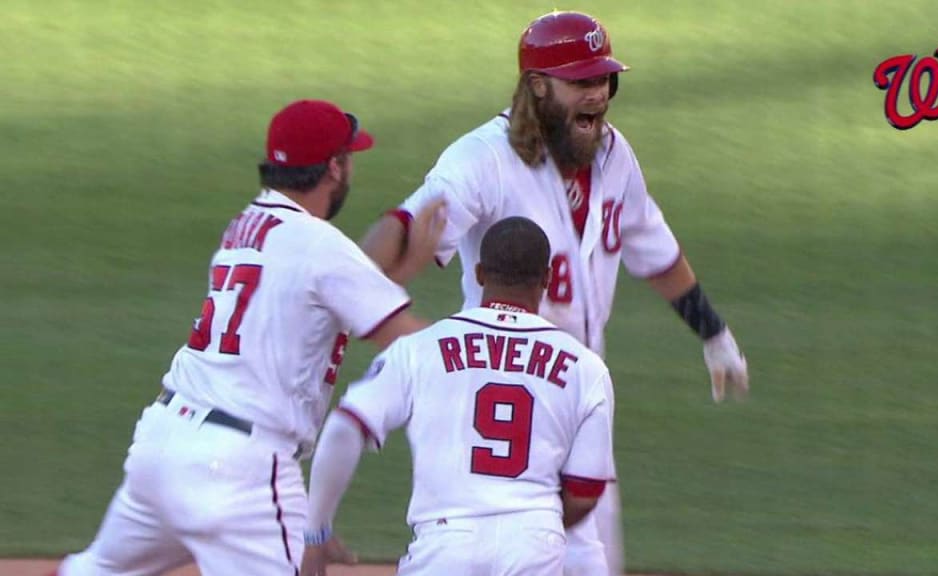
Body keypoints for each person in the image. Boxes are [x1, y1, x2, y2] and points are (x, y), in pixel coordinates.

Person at [358, 10, 750, 576]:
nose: (598, 95)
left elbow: (655, 252)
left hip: (580, 403)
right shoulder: (483, 158)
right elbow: (408, 221)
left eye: (604, 80)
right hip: (506, 402)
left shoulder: (615, 158)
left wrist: (713, 333)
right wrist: (363, 284)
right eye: (582, 82)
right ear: (537, 87)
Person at [57, 99, 446, 576]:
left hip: (163, 445)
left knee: (96, 569)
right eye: (348, 159)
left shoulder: (246, 225)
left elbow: (316, 313)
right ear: (333, 169)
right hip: (238, 472)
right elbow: (414, 345)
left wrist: (403, 270)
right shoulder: (320, 245)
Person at [301, 216, 615, 576]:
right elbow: (584, 494)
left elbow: (345, 427)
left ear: (480, 274)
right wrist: (524, 516)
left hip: (444, 546)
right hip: (533, 546)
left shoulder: (418, 349)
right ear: (546, 278)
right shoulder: (585, 368)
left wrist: (316, 531)